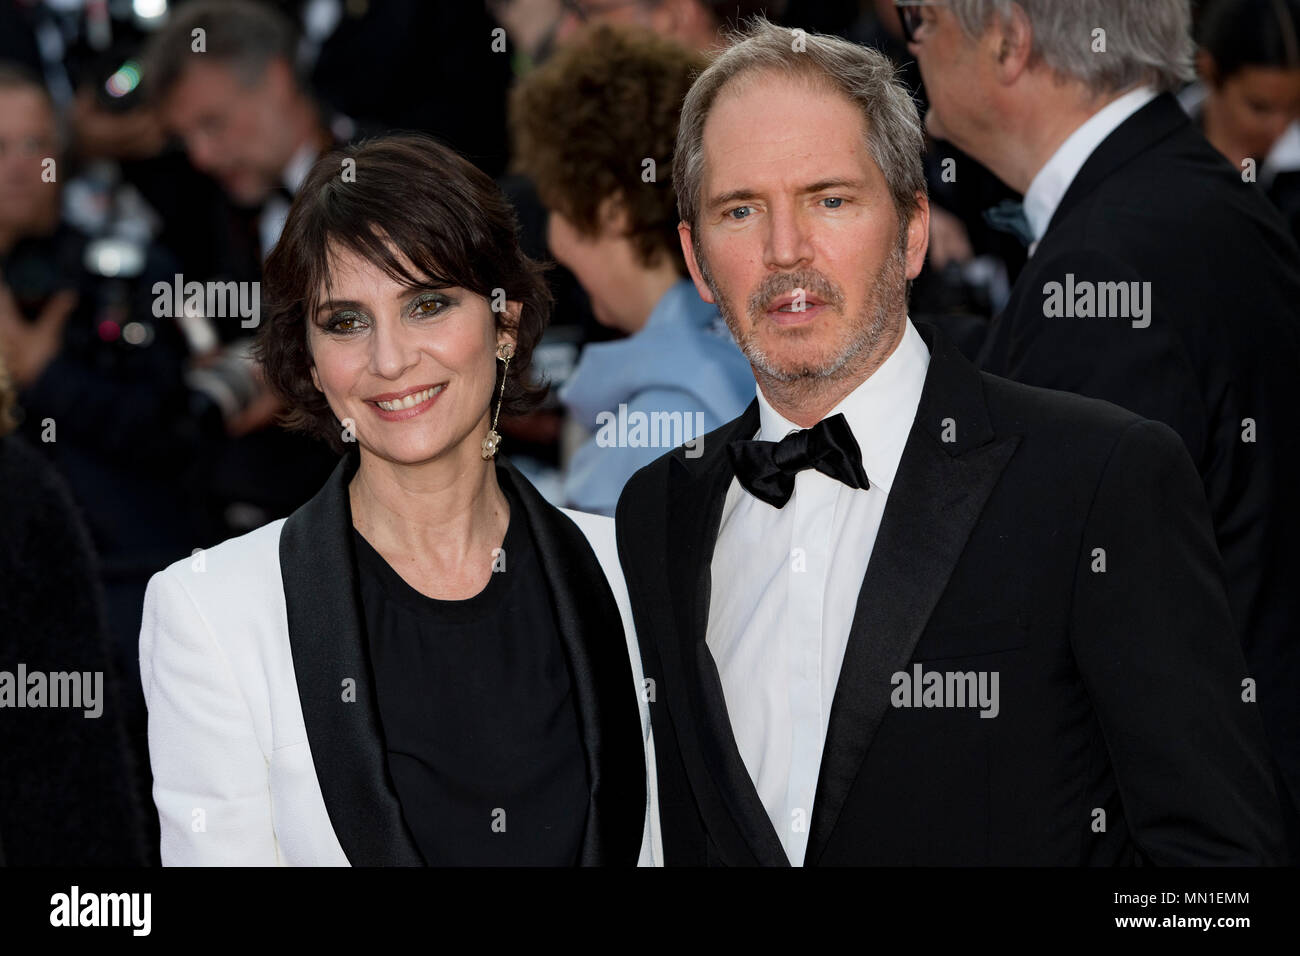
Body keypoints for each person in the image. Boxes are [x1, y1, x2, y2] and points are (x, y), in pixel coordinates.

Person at [614, 17, 1283, 865]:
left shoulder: (1097, 480)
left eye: (830, 199)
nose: (786, 251)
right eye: (741, 210)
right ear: (698, 260)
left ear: (914, 231)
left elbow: (1223, 877)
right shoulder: (659, 511)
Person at [139, 133, 660, 866]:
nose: (389, 360)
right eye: (345, 321)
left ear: (504, 324)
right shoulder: (212, 614)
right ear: (313, 364)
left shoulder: (632, 571)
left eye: (428, 305)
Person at [904, 0, 1300, 860]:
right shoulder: (1188, 200)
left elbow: (1070, 639)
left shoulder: (1112, 260)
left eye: (919, 15)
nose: (913, 42)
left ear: (1008, 40)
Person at [509, 24, 754, 515]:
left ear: (612, 211)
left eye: (555, 204)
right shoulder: (742, 339)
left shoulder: (660, 422)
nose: (551, 237)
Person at [1181, 0, 1300, 240]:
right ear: (1209, 71)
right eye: (1260, 107)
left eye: (1295, 107)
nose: (1279, 127)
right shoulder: (1148, 138)